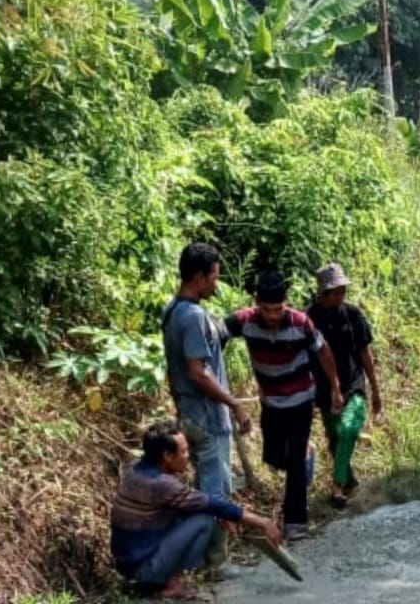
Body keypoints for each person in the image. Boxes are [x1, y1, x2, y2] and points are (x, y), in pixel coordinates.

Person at [223, 270, 344, 541]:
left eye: (278, 309)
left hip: (301, 399)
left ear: (286, 303)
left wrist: (335, 387)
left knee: (294, 462)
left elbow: (324, 352)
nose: (274, 316)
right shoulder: (246, 321)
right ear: (257, 304)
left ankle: (295, 523)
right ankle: (307, 454)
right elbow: (215, 333)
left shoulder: (301, 323)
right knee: (274, 458)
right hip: (271, 402)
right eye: (267, 310)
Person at [111, 420, 281, 601]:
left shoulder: (137, 469)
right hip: (145, 570)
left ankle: (162, 579)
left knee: (204, 511)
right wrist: (263, 522)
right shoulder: (162, 484)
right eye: (183, 451)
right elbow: (213, 505)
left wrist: (220, 511)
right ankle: (172, 585)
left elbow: (191, 503)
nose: (188, 455)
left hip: (129, 566)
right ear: (167, 456)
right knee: (205, 518)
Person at [161, 244, 252, 522]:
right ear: (199, 278)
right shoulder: (194, 317)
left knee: (207, 487)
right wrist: (233, 403)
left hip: (190, 413)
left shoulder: (171, 311)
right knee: (215, 493)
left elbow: (173, 369)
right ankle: (216, 562)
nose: (216, 284)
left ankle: (213, 556)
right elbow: (198, 372)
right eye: (214, 277)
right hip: (207, 418)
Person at [307, 263, 382, 509]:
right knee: (334, 438)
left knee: (349, 429)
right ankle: (350, 482)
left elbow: (364, 352)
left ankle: (337, 485)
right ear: (323, 294)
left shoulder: (353, 315)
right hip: (324, 388)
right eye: (335, 292)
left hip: (354, 384)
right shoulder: (309, 318)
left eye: (342, 291)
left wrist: (375, 387)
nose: (340, 297)